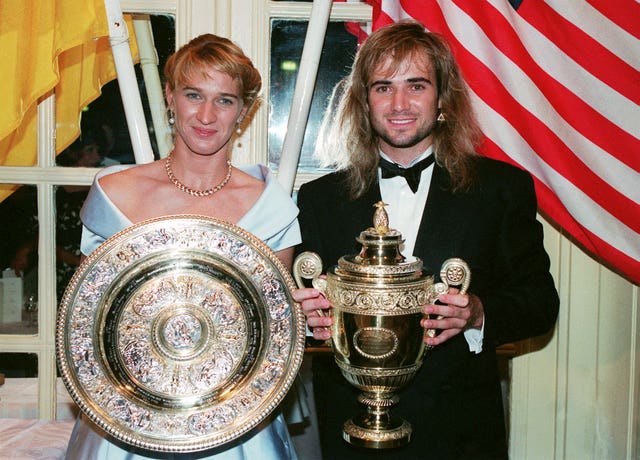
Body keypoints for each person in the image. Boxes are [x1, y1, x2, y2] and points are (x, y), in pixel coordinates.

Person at [292, 20, 560, 460]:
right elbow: (296, 304)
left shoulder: (501, 189)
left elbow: (539, 302)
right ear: (364, 102)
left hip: (461, 432)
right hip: (348, 431)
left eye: (416, 86)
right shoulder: (320, 198)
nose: (399, 103)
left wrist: (477, 313)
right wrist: (307, 320)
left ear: (442, 99)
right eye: (383, 87)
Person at [66, 34, 301, 459]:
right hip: (125, 423)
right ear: (170, 98)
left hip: (236, 428)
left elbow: (275, 342)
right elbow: (85, 325)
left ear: (243, 112)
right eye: (194, 95)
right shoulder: (115, 194)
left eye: (225, 100)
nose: (207, 115)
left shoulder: (270, 205)